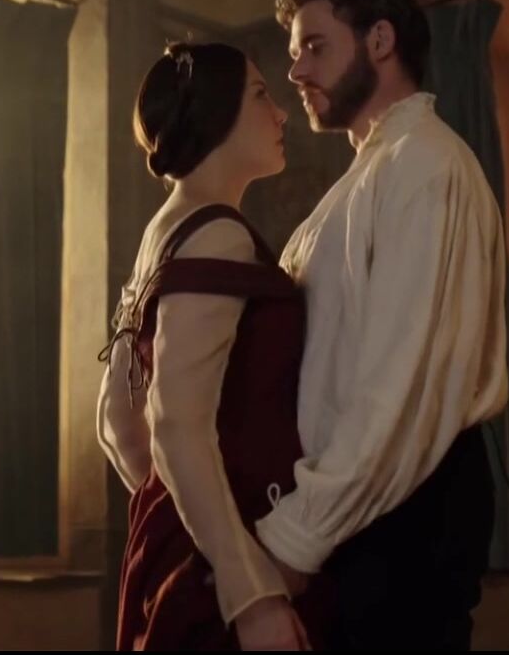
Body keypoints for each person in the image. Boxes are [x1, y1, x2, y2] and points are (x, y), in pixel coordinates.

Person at [253, 0, 509, 651]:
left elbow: (399, 386)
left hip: (407, 510)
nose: (296, 71)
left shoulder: (425, 164)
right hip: (364, 507)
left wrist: (298, 536)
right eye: (294, 54)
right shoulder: (370, 172)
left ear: (380, 41)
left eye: (315, 47)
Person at [96, 42, 329, 651]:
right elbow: (173, 424)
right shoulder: (217, 232)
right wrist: (248, 589)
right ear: (216, 110)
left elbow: (118, 423)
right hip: (220, 564)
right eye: (260, 95)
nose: (280, 113)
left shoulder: (164, 229)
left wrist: (176, 512)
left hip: (179, 548)